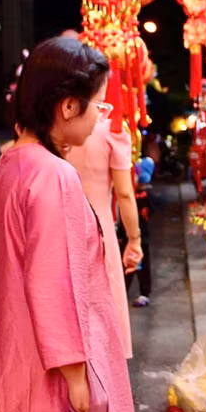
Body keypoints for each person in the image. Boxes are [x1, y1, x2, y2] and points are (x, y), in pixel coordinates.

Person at [0, 37, 139, 412]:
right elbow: (54, 281)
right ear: (68, 106)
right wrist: (75, 376)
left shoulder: (8, 167)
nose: (99, 119)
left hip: (18, 360)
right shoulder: (53, 176)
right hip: (55, 373)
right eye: (98, 107)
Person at [63, 37, 142, 360]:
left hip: (63, 228)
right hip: (101, 231)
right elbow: (124, 193)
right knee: (103, 309)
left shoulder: (61, 127)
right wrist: (133, 240)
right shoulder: (111, 131)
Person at [124, 156, 155, 307]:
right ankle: (137, 293)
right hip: (137, 236)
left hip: (137, 236)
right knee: (132, 265)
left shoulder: (139, 195)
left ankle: (141, 292)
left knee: (133, 265)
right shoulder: (144, 194)